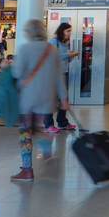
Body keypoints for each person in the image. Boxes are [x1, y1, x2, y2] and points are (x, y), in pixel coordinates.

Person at [10, 19, 68, 182]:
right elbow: (59, 76)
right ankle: (46, 149)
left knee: (25, 134)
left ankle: (27, 169)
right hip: (46, 98)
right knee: (37, 127)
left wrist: (10, 65)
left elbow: (17, 73)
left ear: (28, 32)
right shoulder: (52, 49)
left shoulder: (25, 49)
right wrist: (63, 98)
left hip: (28, 98)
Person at [44, 23, 78, 133]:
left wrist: (71, 55)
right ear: (62, 31)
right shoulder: (54, 42)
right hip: (53, 74)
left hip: (63, 72)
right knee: (51, 99)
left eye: (70, 31)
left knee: (64, 98)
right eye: (67, 31)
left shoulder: (65, 43)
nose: (69, 33)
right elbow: (51, 57)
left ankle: (62, 121)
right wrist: (66, 55)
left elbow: (64, 58)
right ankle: (48, 124)